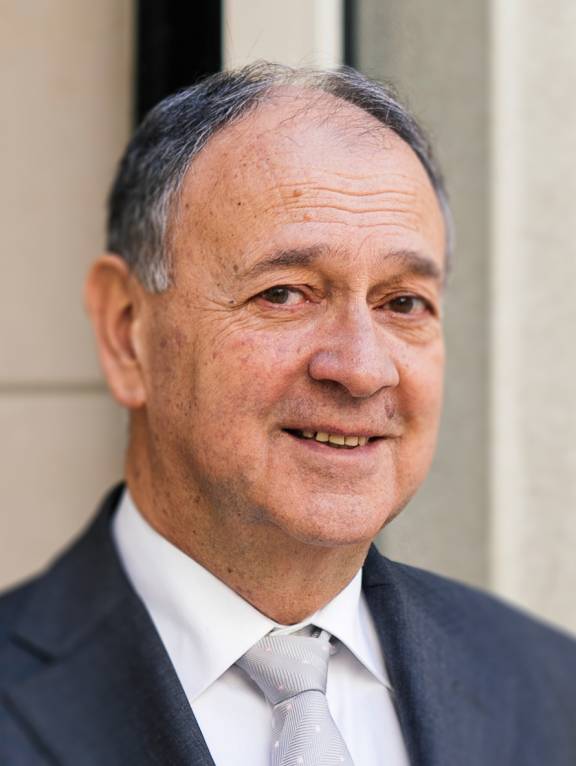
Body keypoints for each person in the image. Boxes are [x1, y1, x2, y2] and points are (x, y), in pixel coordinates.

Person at [1, 63, 575, 766]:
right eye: (284, 293)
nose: (362, 368)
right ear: (127, 332)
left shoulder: (551, 692)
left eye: (402, 303)